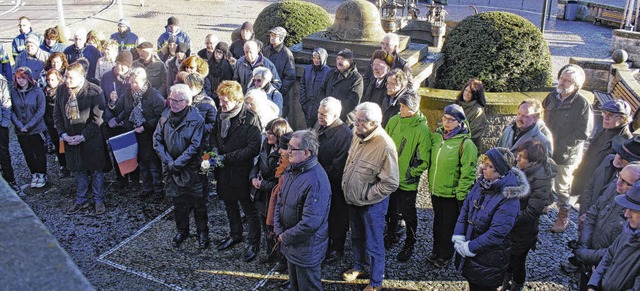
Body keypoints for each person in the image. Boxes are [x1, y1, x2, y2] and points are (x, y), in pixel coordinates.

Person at [453, 147, 529, 290]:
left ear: (499, 170)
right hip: (474, 251)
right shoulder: (482, 183)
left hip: (489, 258)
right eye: (484, 164)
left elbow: (497, 233)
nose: (483, 169)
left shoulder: (509, 198)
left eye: (489, 166)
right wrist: (459, 235)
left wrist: (470, 247)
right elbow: (466, 208)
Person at [342, 102, 399, 291]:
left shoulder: (385, 145)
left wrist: (367, 194)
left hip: (372, 203)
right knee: (357, 236)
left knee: (374, 242)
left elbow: (391, 182)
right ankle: (360, 266)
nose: (355, 125)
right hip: (353, 199)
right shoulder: (357, 135)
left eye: (360, 122)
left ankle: (376, 282)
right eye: (356, 120)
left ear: (374, 123)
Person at [211, 80, 262, 262]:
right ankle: (235, 234)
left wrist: (227, 157)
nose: (221, 104)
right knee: (228, 204)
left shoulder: (250, 118)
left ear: (236, 100)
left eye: (225, 101)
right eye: (220, 100)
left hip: (241, 172)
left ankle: (253, 243)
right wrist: (215, 152)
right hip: (223, 171)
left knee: (248, 209)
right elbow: (214, 135)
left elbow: (253, 148)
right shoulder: (221, 114)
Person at [274, 129, 331, 291]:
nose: (287, 152)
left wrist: (285, 236)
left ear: (306, 153)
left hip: (306, 248)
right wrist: (279, 230)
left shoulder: (316, 180)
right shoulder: (294, 169)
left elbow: (311, 222)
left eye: (292, 148)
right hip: (291, 243)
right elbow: (281, 200)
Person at [153, 84, 208, 249]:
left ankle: (203, 233)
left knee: (199, 205)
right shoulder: (164, 117)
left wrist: (178, 163)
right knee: (178, 204)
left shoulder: (197, 119)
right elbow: (157, 141)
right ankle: (182, 231)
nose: (174, 104)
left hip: (192, 170)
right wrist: (168, 161)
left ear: (187, 102)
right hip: (172, 169)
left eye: (178, 101)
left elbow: (195, 145)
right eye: (171, 100)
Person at [570, 163, 640, 289]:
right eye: (620, 177)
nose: (618, 183)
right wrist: (584, 247)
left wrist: (586, 254)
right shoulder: (614, 187)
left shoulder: (633, 226)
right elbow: (593, 214)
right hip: (594, 270)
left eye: (626, 183)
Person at [542, 64, 593, 233]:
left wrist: (562, 146)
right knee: (544, 177)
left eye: (567, 80)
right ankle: (545, 203)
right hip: (547, 148)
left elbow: (583, 133)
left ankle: (563, 215)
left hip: (566, 154)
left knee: (562, 187)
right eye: (561, 78)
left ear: (576, 84)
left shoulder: (582, 104)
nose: (562, 82)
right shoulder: (552, 96)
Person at [427, 104, 478, 268]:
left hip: (452, 195)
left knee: (448, 227)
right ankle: (436, 251)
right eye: (444, 118)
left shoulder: (466, 143)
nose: (446, 122)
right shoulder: (437, 137)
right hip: (436, 191)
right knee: (437, 224)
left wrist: (460, 195)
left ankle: (445, 255)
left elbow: (468, 173)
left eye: (451, 120)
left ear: (459, 122)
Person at [383, 91, 431, 262]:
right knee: (390, 210)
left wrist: (412, 173)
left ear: (412, 108)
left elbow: (425, 160)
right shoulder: (394, 120)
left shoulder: (422, 130)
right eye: (400, 105)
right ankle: (391, 234)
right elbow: (384, 142)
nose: (400, 109)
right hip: (391, 176)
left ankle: (410, 242)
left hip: (407, 181)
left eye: (403, 106)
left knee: (409, 214)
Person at [54, 63, 107, 215]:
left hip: (90, 139)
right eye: (65, 76)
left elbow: (98, 119)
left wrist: (82, 137)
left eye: (70, 77)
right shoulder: (61, 90)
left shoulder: (94, 91)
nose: (66, 80)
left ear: (81, 76)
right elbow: (57, 115)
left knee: (96, 171)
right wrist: (63, 135)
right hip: (70, 138)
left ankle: (98, 200)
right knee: (78, 171)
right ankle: (81, 200)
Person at [503, 141, 556, 291]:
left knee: (518, 262)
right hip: (511, 227)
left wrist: (509, 219)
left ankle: (517, 285)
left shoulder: (541, 180)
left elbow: (532, 211)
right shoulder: (519, 169)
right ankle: (505, 281)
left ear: (533, 161)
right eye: (517, 155)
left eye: (521, 157)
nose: (516, 159)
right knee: (507, 258)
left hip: (523, 231)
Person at [572, 100, 632, 211]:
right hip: (587, 184)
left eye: (611, 115)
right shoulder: (603, 131)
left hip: (598, 191)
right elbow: (589, 157)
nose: (606, 117)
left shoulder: (624, 143)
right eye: (604, 113)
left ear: (624, 119)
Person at [313, 97, 352, 264]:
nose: (320, 117)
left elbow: (339, 166)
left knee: (337, 217)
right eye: (319, 113)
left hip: (334, 185)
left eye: (324, 114)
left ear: (336, 115)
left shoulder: (345, 135)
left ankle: (337, 247)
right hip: (319, 179)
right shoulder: (320, 125)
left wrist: (319, 178)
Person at [251, 118, 292, 264]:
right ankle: (271, 254)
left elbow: (280, 181)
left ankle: (282, 259)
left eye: (271, 134)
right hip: (263, 195)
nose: (267, 136)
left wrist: (263, 185)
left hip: (273, 195)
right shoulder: (266, 145)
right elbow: (257, 164)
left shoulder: (286, 153)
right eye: (267, 133)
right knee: (266, 226)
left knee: (278, 228)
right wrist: (253, 177)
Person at [587, 182, 640, 291]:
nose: (626, 215)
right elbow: (610, 254)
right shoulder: (629, 229)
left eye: (633, 210)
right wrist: (593, 284)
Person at [123, 68, 166, 202]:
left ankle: (159, 190)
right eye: (131, 82)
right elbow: (123, 109)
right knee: (142, 164)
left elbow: (161, 115)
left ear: (144, 81)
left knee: (153, 165)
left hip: (150, 135)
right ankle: (147, 188)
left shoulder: (153, 95)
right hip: (135, 134)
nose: (133, 86)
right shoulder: (129, 94)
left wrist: (146, 126)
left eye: (135, 83)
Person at [578, 136, 640, 219]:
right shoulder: (608, 159)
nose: (618, 158)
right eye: (619, 152)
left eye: (624, 158)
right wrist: (586, 213)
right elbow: (590, 187)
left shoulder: (634, 183)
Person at [10, 67, 47, 188]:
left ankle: (42, 174)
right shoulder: (13, 92)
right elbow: (11, 110)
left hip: (36, 128)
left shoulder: (37, 91)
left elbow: (41, 110)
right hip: (21, 130)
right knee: (28, 153)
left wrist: (29, 125)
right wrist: (20, 126)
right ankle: (34, 173)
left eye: (23, 78)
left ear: (29, 78)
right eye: (18, 78)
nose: (21, 81)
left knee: (39, 152)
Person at [101, 50, 134, 187]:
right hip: (111, 121)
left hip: (126, 120)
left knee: (130, 150)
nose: (121, 68)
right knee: (116, 151)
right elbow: (102, 99)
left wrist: (120, 118)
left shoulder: (131, 78)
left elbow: (132, 102)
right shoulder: (106, 77)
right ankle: (121, 178)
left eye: (124, 66)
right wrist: (109, 118)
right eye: (119, 64)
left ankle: (134, 177)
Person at [318, 49, 363, 122]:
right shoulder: (331, 73)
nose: (339, 61)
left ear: (350, 61)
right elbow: (322, 89)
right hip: (327, 115)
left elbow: (353, 101)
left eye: (342, 59)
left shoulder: (357, 78)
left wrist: (334, 111)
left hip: (344, 118)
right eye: (338, 59)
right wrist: (324, 106)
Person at [352, 50, 392, 126]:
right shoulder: (372, 82)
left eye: (380, 65)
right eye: (373, 65)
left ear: (388, 68)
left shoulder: (389, 88)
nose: (375, 68)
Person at [262, 27, 295, 118]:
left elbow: (290, 76)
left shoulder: (287, 54)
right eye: (271, 35)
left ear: (281, 38)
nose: (271, 38)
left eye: (274, 36)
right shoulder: (267, 50)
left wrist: (278, 91)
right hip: (265, 92)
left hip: (279, 95)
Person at [43, 69, 69, 178]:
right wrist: (50, 122)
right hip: (51, 124)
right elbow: (45, 110)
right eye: (48, 80)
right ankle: (63, 166)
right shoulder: (45, 92)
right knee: (58, 146)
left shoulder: (64, 90)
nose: (50, 82)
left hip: (64, 123)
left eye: (53, 79)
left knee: (67, 144)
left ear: (59, 79)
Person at [183, 72, 216, 149]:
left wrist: (197, 129)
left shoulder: (208, 102)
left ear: (199, 87)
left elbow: (214, 124)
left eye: (190, 87)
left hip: (202, 141)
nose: (187, 89)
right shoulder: (182, 99)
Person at [300, 48, 331, 128]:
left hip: (320, 106)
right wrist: (303, 102)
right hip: (308, 105)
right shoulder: (307, 69)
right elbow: (302, 85)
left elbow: (328, 90)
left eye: (318, 58)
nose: (316, 60)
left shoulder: (328, 71)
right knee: (309, 130)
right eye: (314, 58)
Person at [456, 79, 488, 153]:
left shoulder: (478, 111)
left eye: (470, 92)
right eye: (466, 90)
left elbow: (473, 135)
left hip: (468, 149)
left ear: (475, 95)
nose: (466, 93)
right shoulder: (459, 104)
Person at [0, 73, 20, 193]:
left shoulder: (0, 80)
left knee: (3, 153)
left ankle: (10, 180)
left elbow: (6, 102)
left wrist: (5, 123)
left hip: (0, 124)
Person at [208, 41, 235, 107]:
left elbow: (227, 82)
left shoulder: (227, 66)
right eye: (216, 51)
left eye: (220, 52)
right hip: (209, 92)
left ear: (224, 54)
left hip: (222, 94)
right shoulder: (209, 63)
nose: (217, 54)